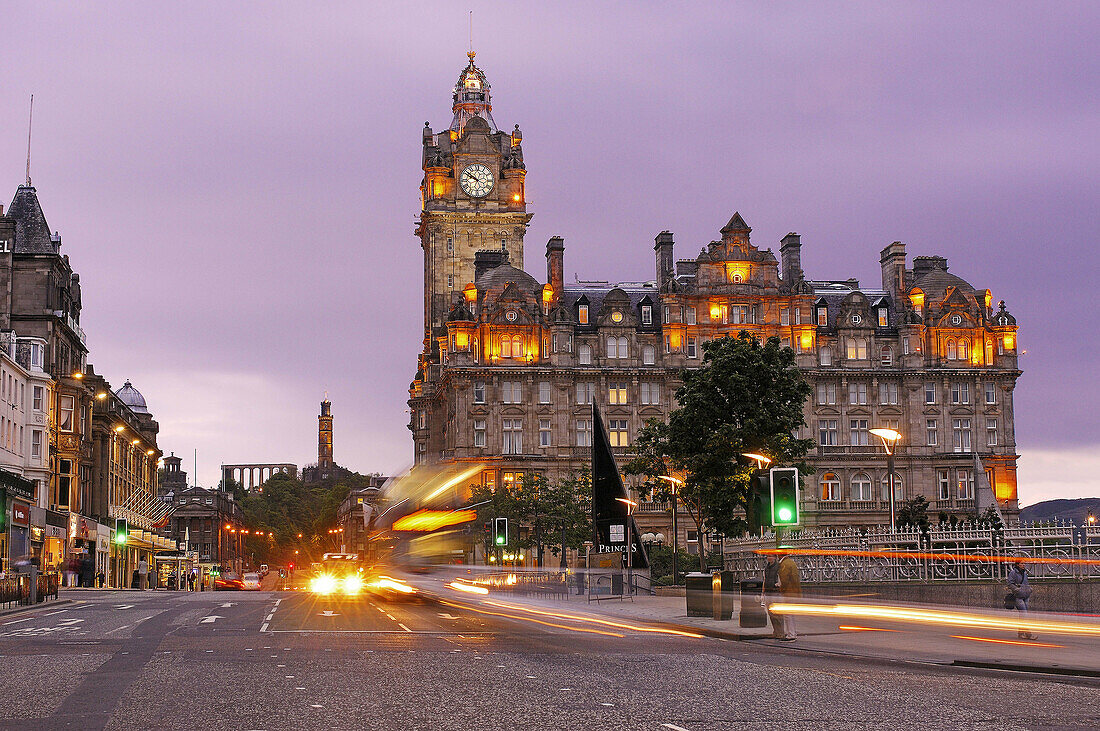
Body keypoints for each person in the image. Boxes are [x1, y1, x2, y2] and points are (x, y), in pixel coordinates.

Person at [774, 549, 802, 641]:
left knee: (787, 615)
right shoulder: (791, 562)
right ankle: (793, 632)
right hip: (794, 591)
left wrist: (781, 588)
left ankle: (791, 634)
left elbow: (784, 580)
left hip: (788, 592)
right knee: (791, 614)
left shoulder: (784, 564)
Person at [1007, 558, 1035, 640]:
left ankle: (1020, 633)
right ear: (1017, 564)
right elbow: (1010, 583)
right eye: (1022, 563)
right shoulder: (1013, 573)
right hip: (1018, 596)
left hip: (1026, 595)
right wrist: (1016, 589)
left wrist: (1029, 589)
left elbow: (1026, 583)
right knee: (1024, 614)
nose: (1024, 565)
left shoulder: (1025, 573)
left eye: (1024, 563)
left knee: (1023, 615)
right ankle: (1028, 633)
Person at [763, 554, 782, 637]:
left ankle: (781, 632)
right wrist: (763, 591)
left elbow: (780, 578)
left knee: (777, 614)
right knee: (771, 614)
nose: (769, 558)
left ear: (775, 557)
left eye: (771, 556)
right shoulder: (767, 568)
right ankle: (775, 631)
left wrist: (778, 584)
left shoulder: (778, 567)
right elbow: (765, 579)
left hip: (775, 592)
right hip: (768, 591)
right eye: (768, 556)